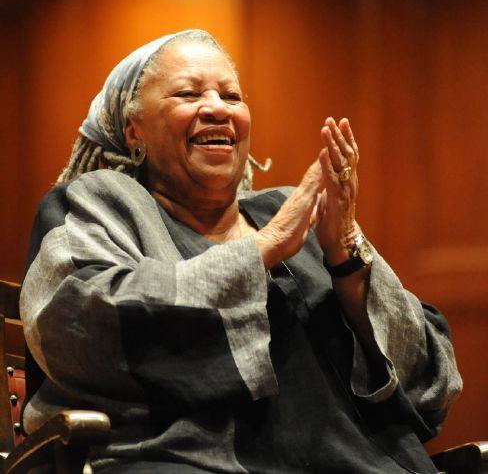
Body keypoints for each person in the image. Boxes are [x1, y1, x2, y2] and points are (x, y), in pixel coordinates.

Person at [20, 29, 462, 473]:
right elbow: (76, 320)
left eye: (232, 96)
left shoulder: (295, 213)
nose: (218, 108)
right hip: (185, 460)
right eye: (189, 93)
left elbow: (431, 380)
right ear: (134, 130)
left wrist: (346, 257)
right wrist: (262, 250)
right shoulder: (101, 201)